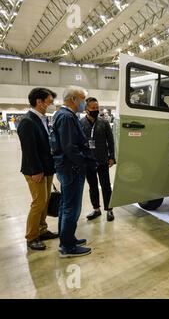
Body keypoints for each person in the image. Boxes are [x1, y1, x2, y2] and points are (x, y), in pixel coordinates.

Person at [50, 86, 96, 258]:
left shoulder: (64, 115)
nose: (85, 102)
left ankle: (67, 238)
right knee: (71, 208)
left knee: (65, 206)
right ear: (73, 99)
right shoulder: (67, 117)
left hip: (66, 167)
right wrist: (84, 163)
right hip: (71, 168)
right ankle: (67, 247)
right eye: (83, 98)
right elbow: (70, 147)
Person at [17, 88, 59, 251]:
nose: (51, 104)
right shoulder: (28, 121)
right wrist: (36, 170)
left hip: (46, 168)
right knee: (38, 202)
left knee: (45, 201)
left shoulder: (42, 119)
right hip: (35, 170)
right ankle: (32, 236)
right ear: (39, 102)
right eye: (49, 101)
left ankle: (42, 229)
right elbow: (29, 149)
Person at [80, 98, 116, 222]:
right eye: (93, 108)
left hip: (102, 160)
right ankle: (96, 209)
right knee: (92, 186)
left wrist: (112, 157)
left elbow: (111, 141)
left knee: (106, 186)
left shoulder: (104, 122)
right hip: (88, 161)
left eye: (97, 108)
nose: (96, 110)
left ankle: (109, 209)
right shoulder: (81, 123)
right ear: (86, 109)